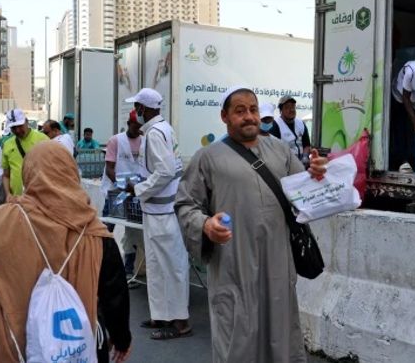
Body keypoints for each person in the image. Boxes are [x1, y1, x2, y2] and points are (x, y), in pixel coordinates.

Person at [0, 142, 132, 363]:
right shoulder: (95, 232)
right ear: (71, 173)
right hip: (74, 351)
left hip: (8, 349)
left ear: (28, 174)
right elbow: (114, 296)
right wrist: (121, 339)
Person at [176, 87, 328, 362]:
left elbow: (303, 194)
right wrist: (206, 224)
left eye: (253, 110)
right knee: (238, 341)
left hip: (278, 268)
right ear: (224, 117)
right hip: (234, 268)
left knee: (281, 339)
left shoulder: (280, 151)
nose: (249, 117)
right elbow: (186, 205)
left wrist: (316, 175)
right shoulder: (207, 157)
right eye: (240, 111)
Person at [124, 88, 191, 340]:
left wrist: (138, 188)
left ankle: (180, 322)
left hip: (163, 211)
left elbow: (164, 171)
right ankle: (161, 315)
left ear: (144, 108)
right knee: (156, 265)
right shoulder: (162, 129)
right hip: (157, 209)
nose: (136, 112)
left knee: (170, 266)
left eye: (137, 108)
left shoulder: (154, 134)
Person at [103, 111, 146, 276]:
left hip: (135, 193)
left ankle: (128, 270)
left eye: (141, 127)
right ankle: (100, 263)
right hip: (115, 193)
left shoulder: (144, 141)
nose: (139, 130)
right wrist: (121, 186)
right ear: (129, 123)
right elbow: (109, 168)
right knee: (107, 230)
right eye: (136, 126)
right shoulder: (116, 141)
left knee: (132, 231)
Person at [1, 108, 49, 198]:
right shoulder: (7, 145)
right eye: (13, 128)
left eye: (20, 126)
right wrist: (8, 194)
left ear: (26, 122)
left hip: (40, 198)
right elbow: (6, 175)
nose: (18, 130)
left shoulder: (43, 139)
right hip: (17, 199)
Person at [269, 95, 311, 167]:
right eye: (287, 107)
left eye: (293, 107)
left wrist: (305, 156)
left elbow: (306, 145)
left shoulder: (301, 123)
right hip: (285, 165)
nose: (291, 110)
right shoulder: (275, 125)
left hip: (302, 164)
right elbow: (273, 150)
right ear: (281, 110)